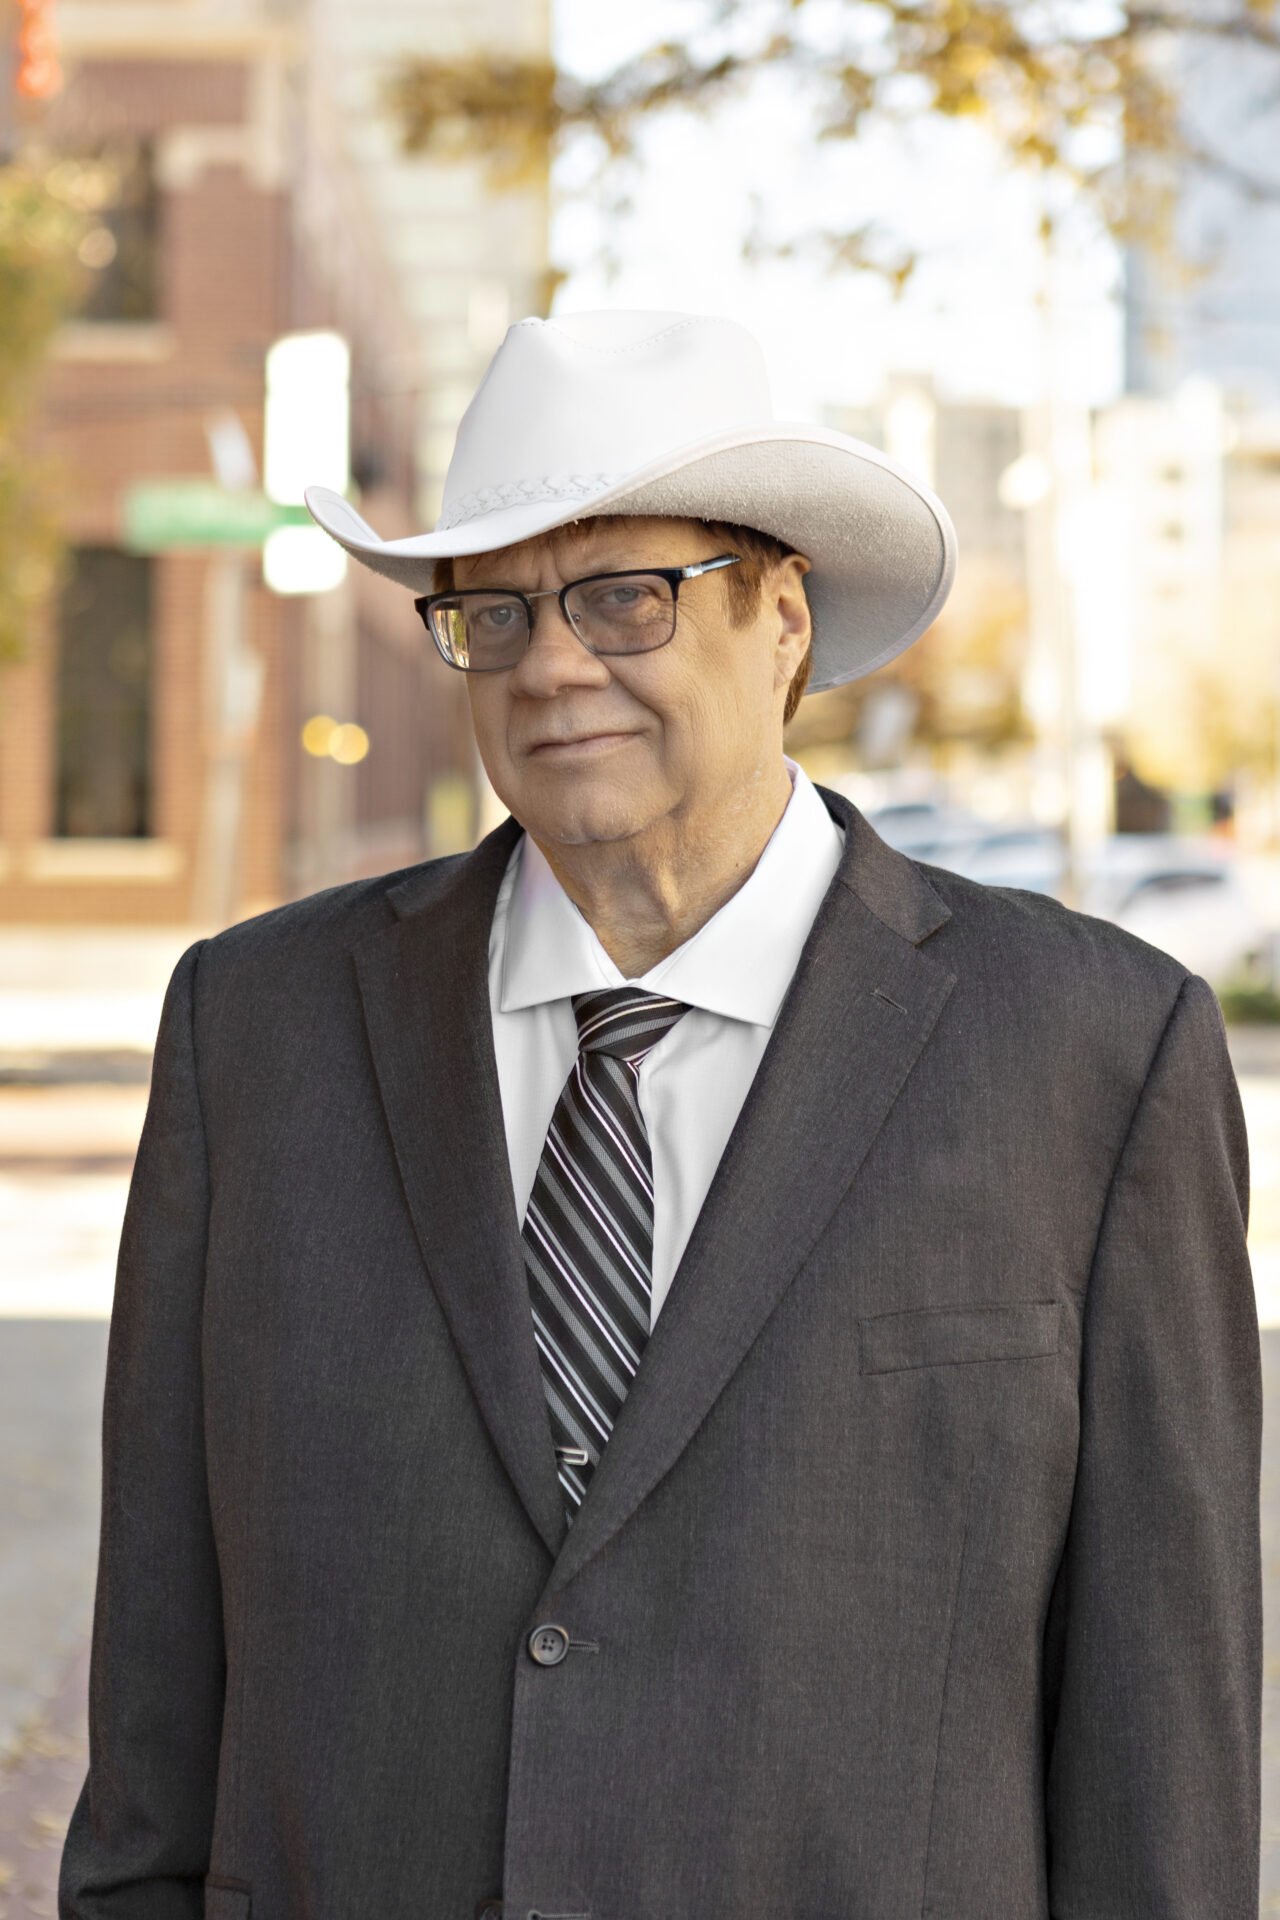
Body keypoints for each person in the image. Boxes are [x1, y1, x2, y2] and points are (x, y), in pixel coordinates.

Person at [61, 310, 1260, 1920]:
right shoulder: (255, 1029)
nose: (553, 663)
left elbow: (1162, 1742)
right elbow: (159, 1665)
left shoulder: (1094, 1053)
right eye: (490, 610)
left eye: (626, 594)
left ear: (781, 619)